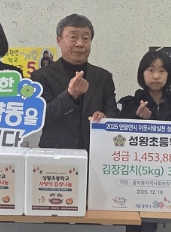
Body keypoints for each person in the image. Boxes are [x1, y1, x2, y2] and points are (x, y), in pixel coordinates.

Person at [30, 14, 118, 150]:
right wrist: (70, 95)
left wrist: (105, 117)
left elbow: (113, 111)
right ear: (59, 40)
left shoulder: (103, 76)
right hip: (55, 153)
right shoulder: (41, 75)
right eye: (73, 37)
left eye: (85, 38)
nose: (80, 44)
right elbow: (40, 116)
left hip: (95, 151)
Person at [118, 49, 171, 122]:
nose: (156, 76)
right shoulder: (131, 105)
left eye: (162, 71)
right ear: (142, 73)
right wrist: (137, 117)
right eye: (151, 70)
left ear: (168, 75)